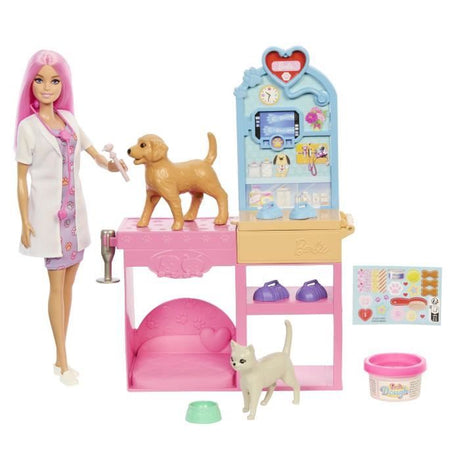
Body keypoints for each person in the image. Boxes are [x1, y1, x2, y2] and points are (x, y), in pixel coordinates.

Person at [16, 50, 126, 385]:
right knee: (56, 287)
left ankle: (58, 357)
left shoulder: (69, 120)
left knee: (68, 287)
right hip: (48, 220)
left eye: (54, 81)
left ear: (63, 85)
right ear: (31, 83)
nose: (46, 87)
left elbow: (96, 158)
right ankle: (63, 362)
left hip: (74, 219)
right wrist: (24, 220)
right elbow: (21, 178)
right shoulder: (28, 128)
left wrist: (114, 165)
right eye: (40, 80)